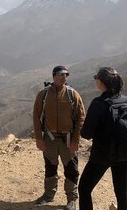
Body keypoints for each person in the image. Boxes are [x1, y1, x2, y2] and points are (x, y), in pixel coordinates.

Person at [79, 67, 127, 210]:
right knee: (122, 194)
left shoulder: (98, 103)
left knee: (84, 189)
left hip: (103, 155)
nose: (95, 80)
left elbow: (86, 134)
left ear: (101, 82)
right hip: (126, 153)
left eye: (96, 78)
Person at [33, 65, 86, 210]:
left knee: (71, 169)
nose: (65, 77)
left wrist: (76, 140)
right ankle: (48, 195)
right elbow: (36, 117)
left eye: (67, 75)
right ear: (54, 76)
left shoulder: (72, 94)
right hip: (49, 138)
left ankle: (71, 200)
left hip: (68, 139)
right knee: (50, 166)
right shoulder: (43, 95)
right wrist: (38, 138)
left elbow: (81, 117)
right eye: (62, 74)